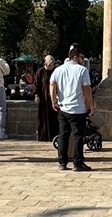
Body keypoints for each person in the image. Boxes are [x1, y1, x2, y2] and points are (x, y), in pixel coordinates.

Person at [50, 43, 94, 171]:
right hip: (78, 108)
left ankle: (62, 162)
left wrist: (54, 101)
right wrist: (90, 105)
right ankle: (77, 162)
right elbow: (86, 88)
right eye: (81, 57)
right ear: (75, 57)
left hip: (63, 108)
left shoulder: (59, 70)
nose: (83, 60)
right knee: (78, 136)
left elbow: (52, 84)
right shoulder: (82, 70)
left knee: (63, 135)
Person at [33, 54, 59, 142]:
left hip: (53, 98)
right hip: (43, 99)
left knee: (54, 119)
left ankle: (54, 136)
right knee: (43, 118)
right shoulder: (40, 72)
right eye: (50, 62)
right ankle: (43, 136)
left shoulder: (56, 71)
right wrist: (36, 95)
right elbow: (36, 84)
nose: (51, 64)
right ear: (46, 63)